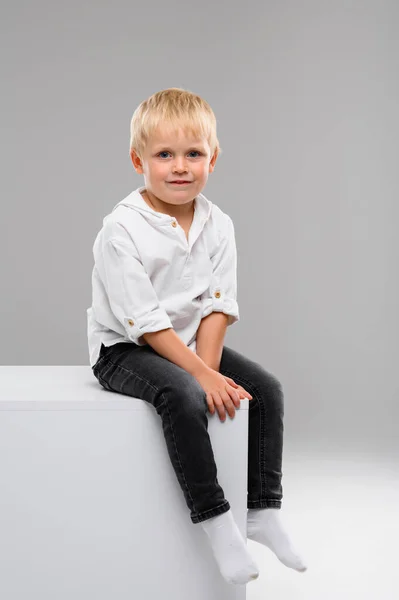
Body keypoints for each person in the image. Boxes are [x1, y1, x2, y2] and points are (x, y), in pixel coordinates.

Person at [87, 87, 307, 586]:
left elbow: (216, 306)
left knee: (266, 389)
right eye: (164, 155)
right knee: (183, 395)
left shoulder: (217, 223)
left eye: (194, 154)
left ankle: (263, 510)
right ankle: (214, 520)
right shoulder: (121, 228)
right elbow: (143, 321)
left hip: (187, 344)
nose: (180, 167)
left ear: (214, 159)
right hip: (125, 347)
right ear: (137, 159)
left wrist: (209, 368)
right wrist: (200, 376)